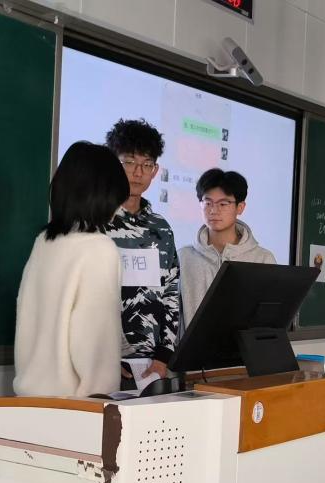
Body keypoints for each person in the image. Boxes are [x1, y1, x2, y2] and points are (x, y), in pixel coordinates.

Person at [13, 141, 129, 398]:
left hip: (30, 401)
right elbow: (94, 344)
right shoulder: (99, 249)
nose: (119, 209)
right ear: (100, 194)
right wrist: (102, 401)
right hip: (76, 407)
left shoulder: (44, 242)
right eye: (116, 199)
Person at [104, 119, 180, 385]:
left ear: (155, 170)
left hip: (152, 366)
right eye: (129, 162)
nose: (138, 172)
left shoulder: (162, 228)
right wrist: (100, 358)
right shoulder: (95, 222)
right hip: (102, 364)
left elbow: (171, 293)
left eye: (147, 164)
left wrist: (164, 356)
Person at [178, 168, 276, 326]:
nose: (213, 210)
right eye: (207, 203)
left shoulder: (263, 259)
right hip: (195, 343)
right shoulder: (183, 258)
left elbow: (271, 318)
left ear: (240, 207)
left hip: (243, 343)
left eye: (223, 204)